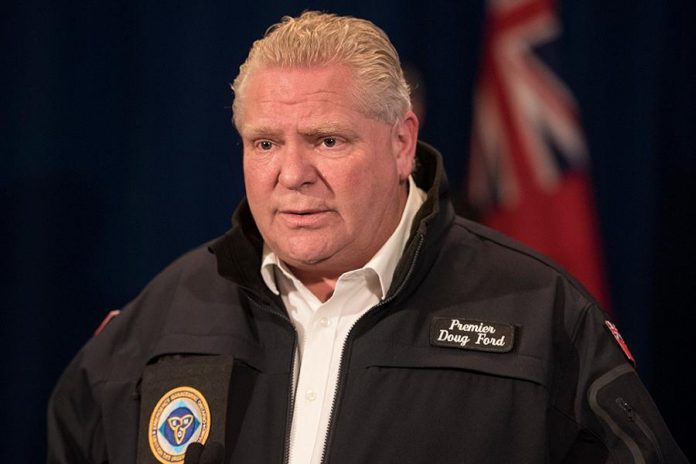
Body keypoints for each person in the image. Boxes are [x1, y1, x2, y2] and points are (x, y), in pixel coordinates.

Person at [47, 11, 687, 464]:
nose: (292, 176)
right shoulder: (160, 319)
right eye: (265, 143)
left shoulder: (541, 311)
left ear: (402, 142)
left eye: (328, 140)